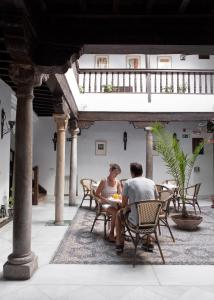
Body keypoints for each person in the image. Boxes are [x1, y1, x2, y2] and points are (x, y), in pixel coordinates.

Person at [115, 162, 158, 253]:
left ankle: (119, 243)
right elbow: (156, 200)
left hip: (136, 223)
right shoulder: (152, 182)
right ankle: (149, 243)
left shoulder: (129, 182)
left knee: (119, 213)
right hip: (152, 222)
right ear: (142, 171)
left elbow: (123, 204)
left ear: (132, 173)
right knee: (147, 211)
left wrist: (127, 207)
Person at [95, 163, 122, 242]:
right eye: (115, 173)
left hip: (114, 203)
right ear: (110, 170)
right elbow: (96, 194)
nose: (116, 175)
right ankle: (111, 234)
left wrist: (119, 196)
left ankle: (119, 233)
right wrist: (105, 199)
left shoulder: (118, 182)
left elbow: (120, 194)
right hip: (105, 203)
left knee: (123, 211)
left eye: (117, 174)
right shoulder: (104, 181)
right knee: (115, 212)